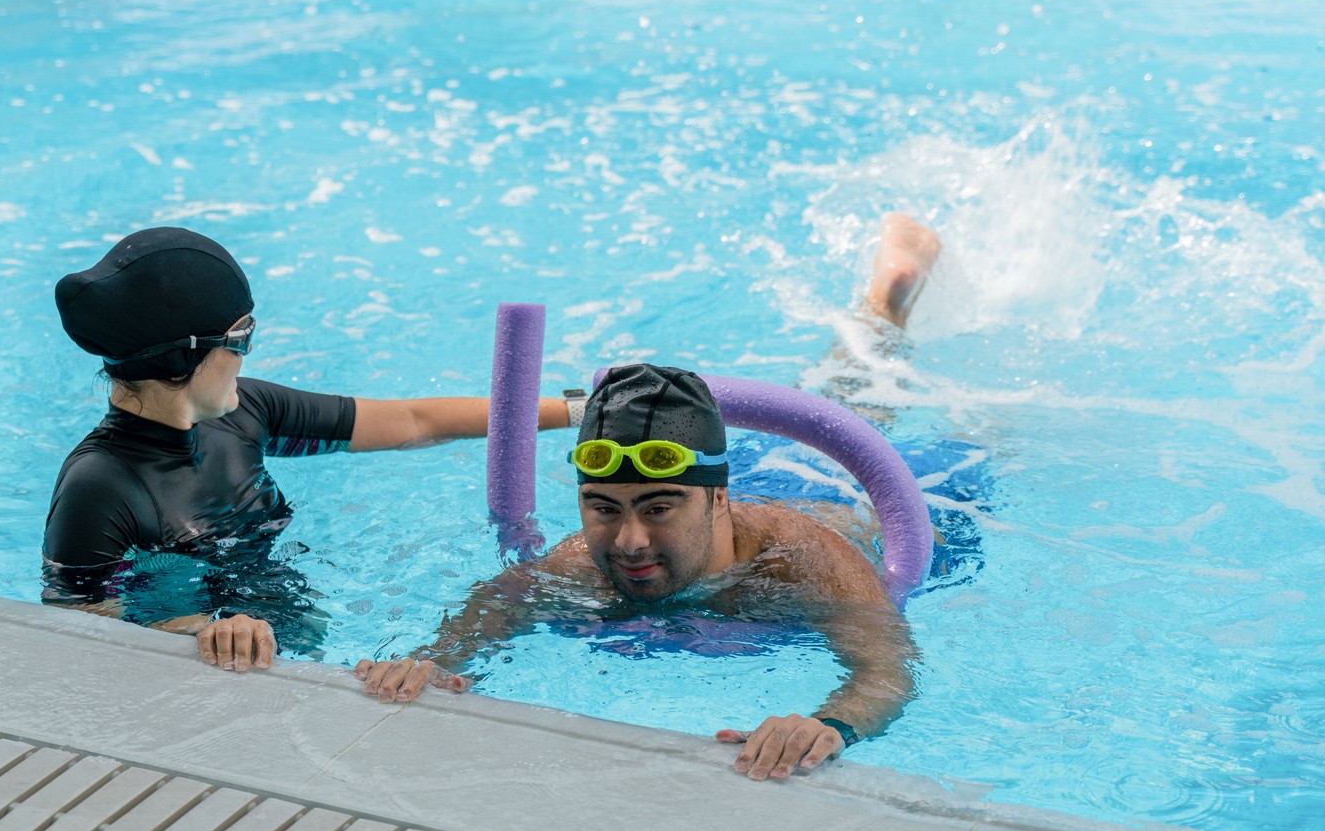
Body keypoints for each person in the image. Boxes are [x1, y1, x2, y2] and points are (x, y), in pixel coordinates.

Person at [353, 215, 943, 781]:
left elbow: (886, 672)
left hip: (832, 494)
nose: (629, 542)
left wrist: (827, 724)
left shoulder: (806, 562)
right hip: (740, 478)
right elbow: (479, 621)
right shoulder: (575, 564)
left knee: (863, 406)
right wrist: (428, 663)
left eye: (658, 509)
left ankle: (886, 305)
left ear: (718, 500)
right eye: (605, 509)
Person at [44, 227, 569, 671]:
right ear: (191, 354)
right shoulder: (98, 488)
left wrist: (581, 409)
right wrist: (205, 632)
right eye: (242, 334)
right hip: (211, 673)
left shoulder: (246, 410)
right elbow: (79, 628)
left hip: (284, 644)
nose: (248, 353)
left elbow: (413, 420)